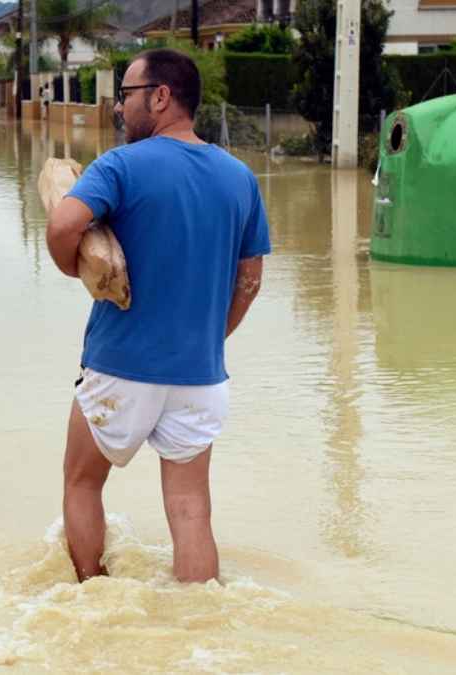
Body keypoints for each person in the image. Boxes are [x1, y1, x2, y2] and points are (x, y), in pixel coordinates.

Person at [46, 49, 270, 584]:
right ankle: (200, 626)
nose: (121, 109)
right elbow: (251, 280)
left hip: (121, 367)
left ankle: (91, 600)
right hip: (201, 375)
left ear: (161, 96)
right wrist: (210, 339)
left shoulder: (122, 165)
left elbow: (62, 226)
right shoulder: (239, 177)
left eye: (126, 95)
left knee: (81, 483)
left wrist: (70, 268)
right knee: (192, 510)